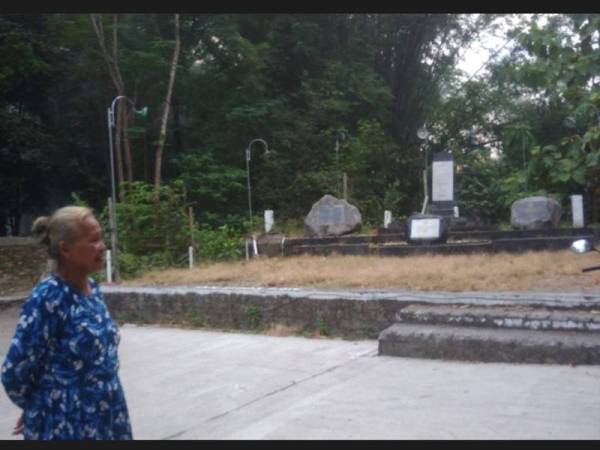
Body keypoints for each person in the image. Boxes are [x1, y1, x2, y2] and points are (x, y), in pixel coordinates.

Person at [1, 206, 132, 440]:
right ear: (65, 250)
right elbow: (15, 371)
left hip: (108, 416)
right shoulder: (49, 297)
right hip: (67, 424)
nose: (102, 246)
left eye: (101, 238)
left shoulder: (94, 290)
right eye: (93, 241)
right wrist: (40, 405)